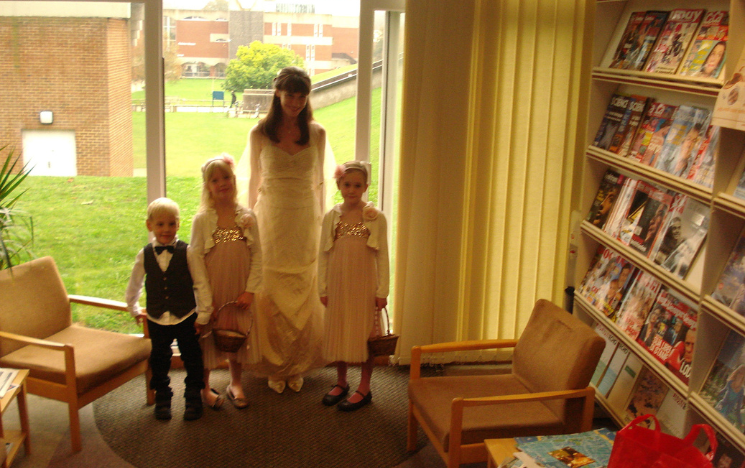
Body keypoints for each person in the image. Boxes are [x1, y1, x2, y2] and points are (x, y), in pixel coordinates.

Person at [243, 66, 329, 393]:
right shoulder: (259, 133)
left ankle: (298, 363)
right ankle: (275, 365)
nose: (295, 101)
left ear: (308, 97)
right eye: (289, 94)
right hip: (271, 220)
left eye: (301, 95)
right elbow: (254, 180)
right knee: (273, 291)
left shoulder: (317, 133)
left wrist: (322, 223)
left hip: (306, 218)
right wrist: (249, 222)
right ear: (277, 94)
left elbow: (319, 182)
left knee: (303, 290)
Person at [125, 197, 213, 421]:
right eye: (160, 224)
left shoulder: (188, 252)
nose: (166, 229)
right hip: (157, 318)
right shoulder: (144, 255)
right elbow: (134, 283)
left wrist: (203, 314)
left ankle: (193, 397)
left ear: (178, 224)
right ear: (150, 225)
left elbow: (201, 283)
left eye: (171, 224)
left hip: (185, 316)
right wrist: (133, 307)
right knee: (160, 359)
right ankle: (163, 397)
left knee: (192, 357)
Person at [191, 154, 262, 409]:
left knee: (237, 334)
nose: (222, 183)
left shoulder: (247, 216)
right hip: (214, 288)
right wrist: (205, 299)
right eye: (215, 180)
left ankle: (235, 382)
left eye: (226, 178)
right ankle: (205, 387)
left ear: (234, 180)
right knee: (210, 337)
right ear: (207, 187)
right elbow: (196, 258)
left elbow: (257, 255)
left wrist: (250, 290)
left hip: (239, 288)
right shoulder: (203, 219)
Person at [318, 161, 390, 411]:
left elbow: (382, 256)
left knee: (365, 333)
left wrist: (383, 291)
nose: (351, 190)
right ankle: (341, 381)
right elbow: (323, 254)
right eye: (347, 184)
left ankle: (365, 386)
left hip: (364, 284)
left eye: (357, 185)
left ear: (365, 187)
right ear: (339, 185)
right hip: (339, 282)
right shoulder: (332, 216)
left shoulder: (375, 217)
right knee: (340, 330)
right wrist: (323, 288)